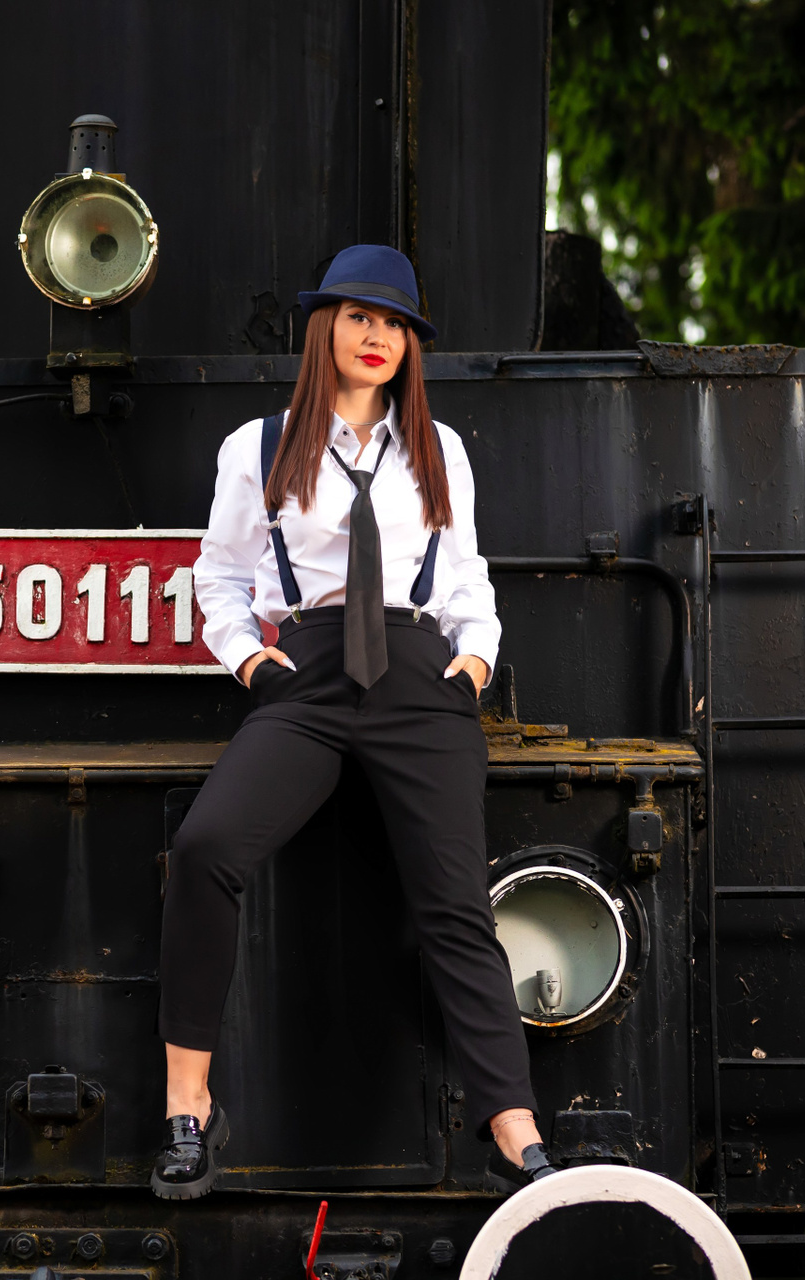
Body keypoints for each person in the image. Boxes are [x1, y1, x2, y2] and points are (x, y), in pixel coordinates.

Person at [150, 244, 555, 1200]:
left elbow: (466, 574)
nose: (378, 338)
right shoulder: (259, 446)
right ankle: (187, 1107)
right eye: (359, 317)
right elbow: (219, 574)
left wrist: (475, 659)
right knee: (205, 847)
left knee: (455, 905)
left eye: (396, 325)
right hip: (311, 681)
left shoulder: (438, 447)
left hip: (421, 681)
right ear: (324, 328)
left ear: (412, 346)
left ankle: (516, 1132)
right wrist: (249, 658)